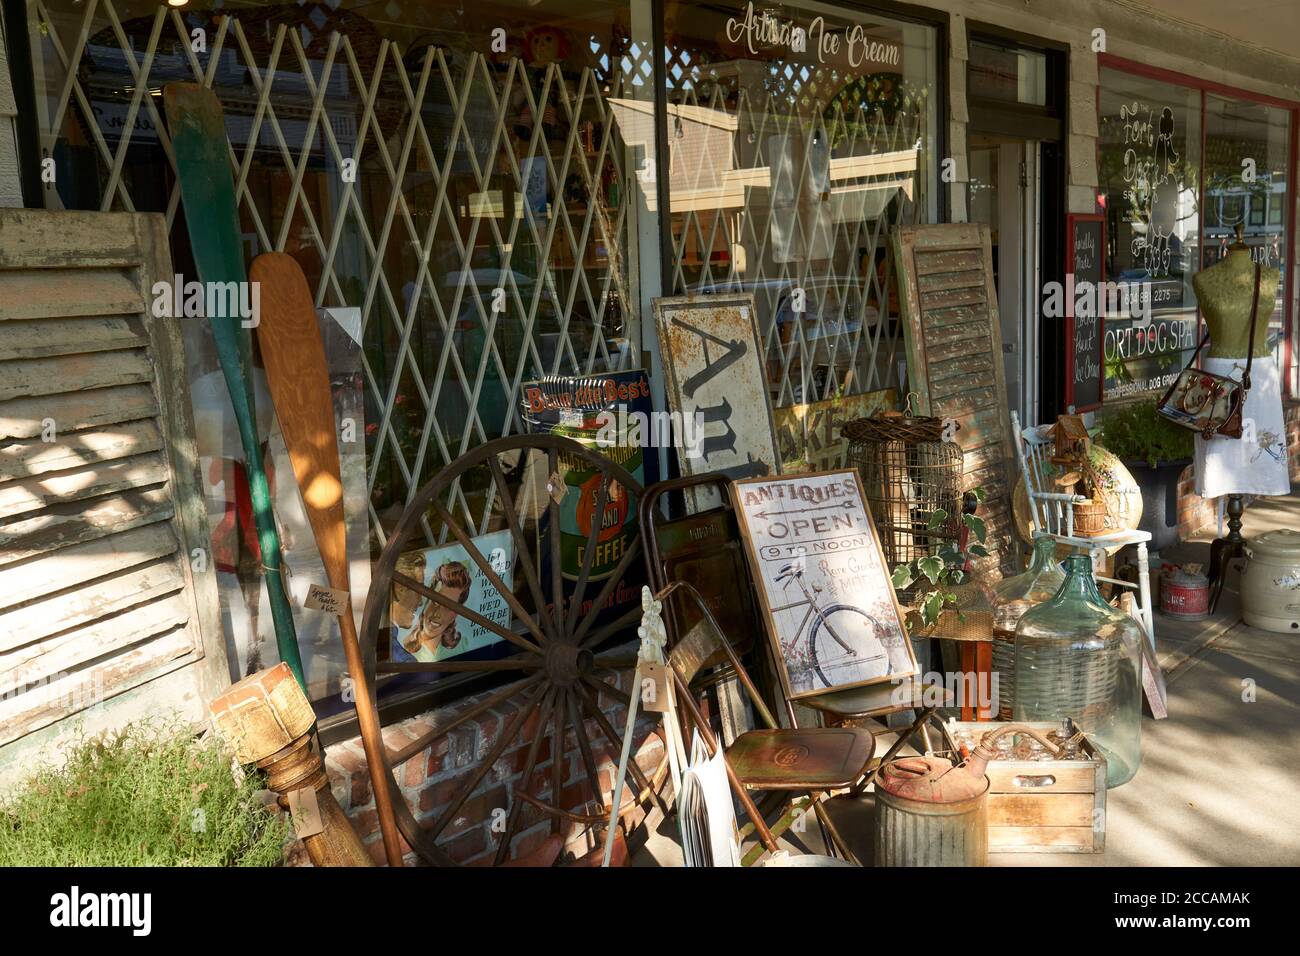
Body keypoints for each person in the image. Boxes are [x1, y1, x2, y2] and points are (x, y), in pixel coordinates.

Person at [402, 561, 472, 660]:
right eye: (435, 601)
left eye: (448, 606)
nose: (437, 613)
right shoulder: (404, 652)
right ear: (427, 600)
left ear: (456, 614)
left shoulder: (462, 647)